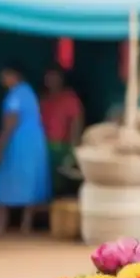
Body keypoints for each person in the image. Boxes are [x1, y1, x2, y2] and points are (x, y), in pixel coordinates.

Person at [0, 64, 51, 236]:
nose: (2, 80)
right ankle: (26, 225)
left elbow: (10, 123)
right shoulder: (29, 92)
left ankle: (0, 226)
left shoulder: (16, 95)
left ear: (13, 75)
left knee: (4, 181)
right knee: (30, 182)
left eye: (4, 75)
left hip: (19, 145)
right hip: (33, 144)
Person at [40, 66, 84, 197]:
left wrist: (73, 147)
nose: (51, 81)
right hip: (44, 147)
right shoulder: (44, 99)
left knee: (61, 185)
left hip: (62, 147)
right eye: (48, 77)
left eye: (54, 77)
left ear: (61, 79)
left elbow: (77, 121)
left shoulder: (69, 98)